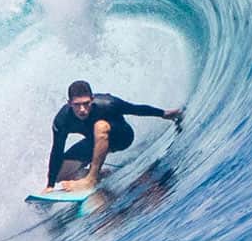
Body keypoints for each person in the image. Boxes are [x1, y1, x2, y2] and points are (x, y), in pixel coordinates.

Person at [44, 80, 183, 193]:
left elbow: (135, 109)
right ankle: (99, 175)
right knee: (60, 175)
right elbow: (57, 150)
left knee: (100, 126)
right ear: (69, 103)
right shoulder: (62, 120)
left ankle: (90, 180)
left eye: (86, 103)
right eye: (77, 105)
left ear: (92, 99)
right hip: (94, 141)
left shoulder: (107, 103)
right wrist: (50, 185)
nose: (82, 109)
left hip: (121, 137)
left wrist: (164, 114)